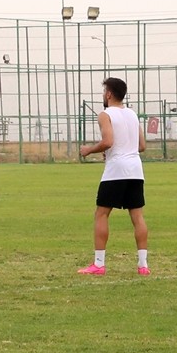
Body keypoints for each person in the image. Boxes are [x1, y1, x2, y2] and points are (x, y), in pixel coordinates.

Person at [77, 77, 149, 276]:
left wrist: (89, 150)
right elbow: (142, 146)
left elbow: (108, 141)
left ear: (109, 94)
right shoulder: (132, 114)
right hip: (136, 170)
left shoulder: (105, 114)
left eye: (104, 91)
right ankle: (143, 265)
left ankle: (99, 264)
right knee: (137, 216)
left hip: (116, 170)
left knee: (101, 214)